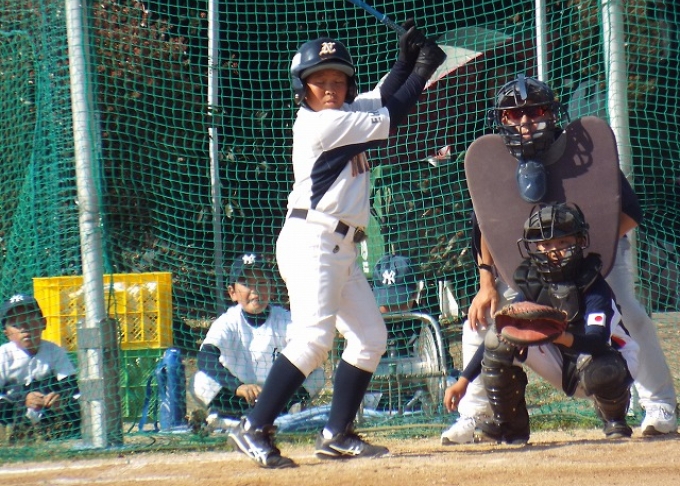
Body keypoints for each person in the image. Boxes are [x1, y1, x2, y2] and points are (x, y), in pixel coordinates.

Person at [228, 26, 447, 468]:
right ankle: (254, 425)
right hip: (313, 240)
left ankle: (336, 433)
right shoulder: (321, 123)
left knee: (370, 338)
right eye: (319, 81)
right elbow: (391, 116)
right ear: (302, 88)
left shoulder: (345, 111)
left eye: (338, 80)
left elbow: (382, 97)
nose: (330, 88)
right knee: (313, 339)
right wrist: (423, 70)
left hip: (339, 246)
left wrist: (405, 62)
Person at [442, 75, 677, 444]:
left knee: (628, 312)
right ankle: (476, 415)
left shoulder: (585, 158)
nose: (524, 121)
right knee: (482, 321)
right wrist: (487, 284)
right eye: (513, 114)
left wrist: (582, 255)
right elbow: (486, 228)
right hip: (534, 261)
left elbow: (630, 212)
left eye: (535, 111)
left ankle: (659, 405)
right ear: (500, 120)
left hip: (596, 253)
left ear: (551, 114)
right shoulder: (494, 164)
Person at [444, 202, 640, 443]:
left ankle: (615, 420)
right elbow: (502, 331)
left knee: (603, 368)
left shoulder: (593, 283)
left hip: (609, 361)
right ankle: (510, 425)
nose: (554, 251)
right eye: (546, 244)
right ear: (534, 247)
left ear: (580, 241)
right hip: (563, 363)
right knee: (500, 337)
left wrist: (558, 336)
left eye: (563, 242)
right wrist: (463, 381)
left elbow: (597, 342)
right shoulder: (532, 283)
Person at [191, 252, 325, 422]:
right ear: (232, 292)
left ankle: (286, 412)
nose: (255, 290)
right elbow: (205, 358)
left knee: (318, 375)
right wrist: (238, 386)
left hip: (277, 395)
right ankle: (229, 416)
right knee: (200, 380)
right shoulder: (228, 321)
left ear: (271, 288)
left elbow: (308, 353)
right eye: (246, 283)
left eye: (261, 283)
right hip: (238, 395)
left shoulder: (285, 319)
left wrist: (280, 388)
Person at [0, 294, 80, 442]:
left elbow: (71, 386)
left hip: (49, 413)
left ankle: (57, 435)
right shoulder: (3, 355)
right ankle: (14, 437)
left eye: (30, 320)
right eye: (16, 324)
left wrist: (60, 398)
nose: (24, 328)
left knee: (74, 402)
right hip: (14, 413)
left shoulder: (54, 351)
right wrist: (22, 400)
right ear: (6, 333)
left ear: (43, 323)